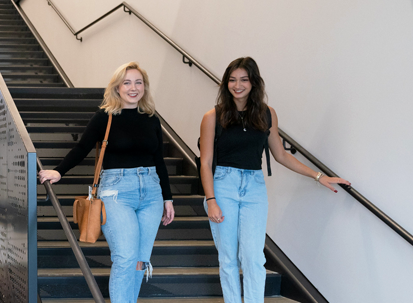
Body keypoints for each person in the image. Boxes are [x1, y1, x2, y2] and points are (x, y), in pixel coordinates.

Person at [199, 57, 351, 303]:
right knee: (228, 258)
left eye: (244, 80)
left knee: (254, 257)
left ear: (254, 83)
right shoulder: (213, 116)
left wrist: (318, 175)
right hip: (223, 185)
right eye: (232, 80)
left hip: (254, 187)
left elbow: (280, 155)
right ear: (226, 83)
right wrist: (211, 199)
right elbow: (205, 163)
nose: (237, 85)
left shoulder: (267, 114)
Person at [39, 62, 175, 303]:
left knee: (141, 259)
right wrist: (59, 172)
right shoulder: (106, 116)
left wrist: (168, 198)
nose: (133, 88)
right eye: (127, 82)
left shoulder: (151, 118)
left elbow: (159, 161)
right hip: (116, 192)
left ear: (144, 87)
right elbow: (82, 147)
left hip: (151, 191)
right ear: (117, 87)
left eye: (138, 82)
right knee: (125, 256)